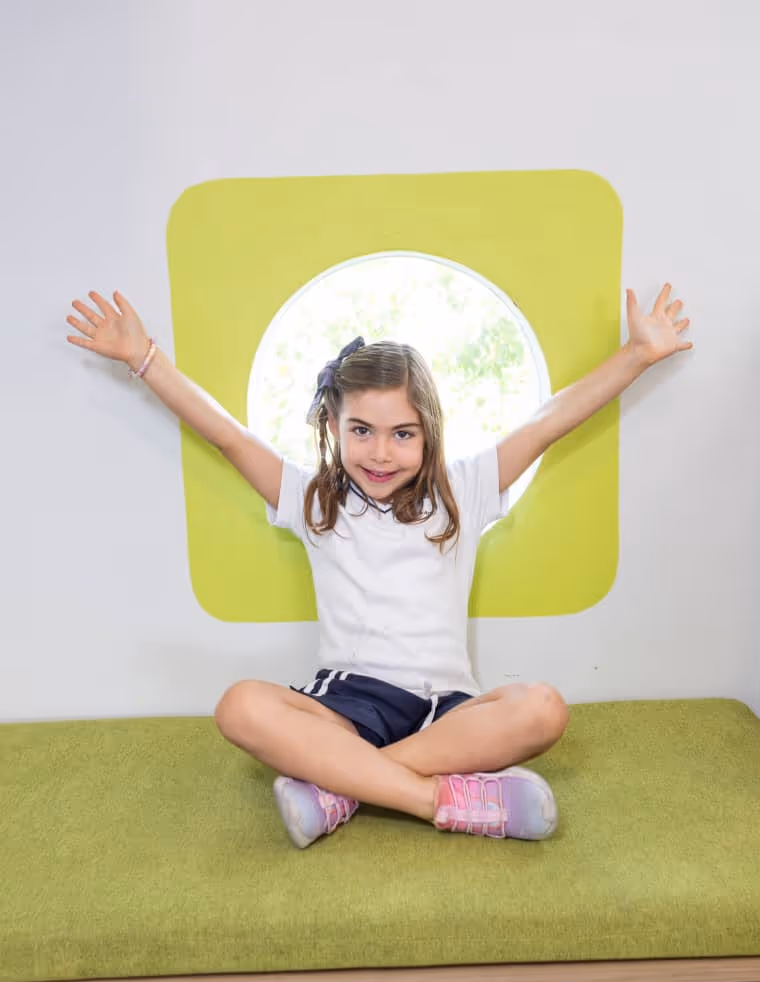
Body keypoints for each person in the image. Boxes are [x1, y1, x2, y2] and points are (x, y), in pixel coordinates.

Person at [66, 285, 691, 849]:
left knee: (544, 709)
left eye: (402, 434)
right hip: (348, 704)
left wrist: (636, 355)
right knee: (239, 707)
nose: (381, 452)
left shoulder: (463, 490)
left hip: (446, 709)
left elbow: (549, 418)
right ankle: (439, 799)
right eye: (361, 430)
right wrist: (144, 358)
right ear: (332, 426)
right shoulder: (314, 499)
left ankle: (341, 786)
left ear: (429, 434)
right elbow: (227, 435)